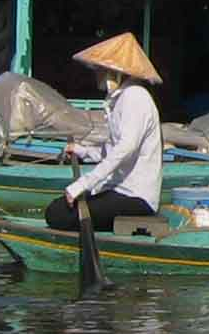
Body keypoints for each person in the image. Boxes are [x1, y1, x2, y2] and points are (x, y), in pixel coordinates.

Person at [45, 32, 164, 232]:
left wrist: (83, 183)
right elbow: (112, 149)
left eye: (101, 70)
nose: (97, 75)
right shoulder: (119, 99)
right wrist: (82, 151)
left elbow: (124, 149)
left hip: (136, 197)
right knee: (56, 209)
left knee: (58, 215)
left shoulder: (135, 97)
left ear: (114, 72)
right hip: (117, 189)